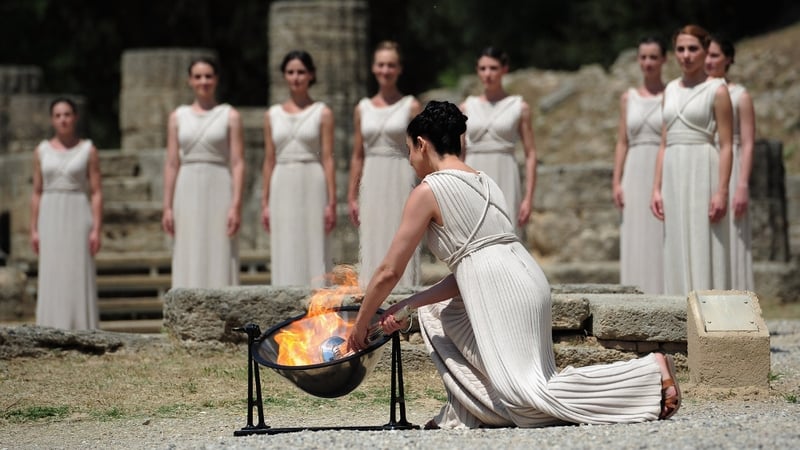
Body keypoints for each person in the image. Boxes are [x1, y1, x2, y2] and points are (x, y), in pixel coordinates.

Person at [348, 100, 681, 429]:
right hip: (525, 277)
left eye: (409, 150)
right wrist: (408, 304)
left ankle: (648, 371)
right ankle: (464, 411)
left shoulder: (428, 190)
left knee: (529, 399)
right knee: (436, 314)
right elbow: (467, 270)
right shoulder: (486, 181)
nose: (410, 160)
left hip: (500, 288)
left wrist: (361, 323)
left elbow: (390, 270)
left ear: (422, 144)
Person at [651, 25, 734, 295]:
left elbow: (726, 145)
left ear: (704, 51)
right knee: (675, 241)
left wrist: (722, 190)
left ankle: (713, 316)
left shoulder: (718, 90)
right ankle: (679, 317)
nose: (686, 55)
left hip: (703, 168)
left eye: (693, 49)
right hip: (674, 170)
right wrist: (656, 188)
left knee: (705, 240)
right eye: (680, 49)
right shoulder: (670, 90)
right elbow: (664, 142)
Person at [162, 57, 244, 288]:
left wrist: (236, 205)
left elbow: (238, 162)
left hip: (219, 183)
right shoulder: (177, 117)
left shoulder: (229, 115)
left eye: (208, 76)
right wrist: (167, 206)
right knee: (188, 245)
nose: (203, 81)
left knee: (219, 246)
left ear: (216, 79)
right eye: (198, 76)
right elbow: (171, 163)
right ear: (190, 80)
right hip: (186, 186)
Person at [347, 41, 422, 289]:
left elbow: (421, 150)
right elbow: (358, 154)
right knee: (374, 238)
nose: (385, 70)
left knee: (400, 237)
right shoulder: (362, 108)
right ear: (373, 68)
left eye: (391, 65)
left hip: (400, 176)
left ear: (399, 69)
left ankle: (403, 301)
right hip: (372, 177)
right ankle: (372, 298)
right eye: (381, 64)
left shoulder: (410, 106)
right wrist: (352, 196)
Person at [262, 50, 336, 287]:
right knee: (285, 242)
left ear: (311, 75)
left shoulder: (322, 112)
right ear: (284, 76)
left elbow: (328, 158)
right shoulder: (272, 115)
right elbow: (269, 159)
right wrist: (265, 202)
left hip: (312, 179)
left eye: (301, 72)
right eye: (291, 72)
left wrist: (332, 202)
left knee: (314, 242)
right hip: (281, 179)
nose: (296, 77)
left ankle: (318, 305)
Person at [31, 98, 102, 329]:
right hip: (50, 213)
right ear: (52, 119)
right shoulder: (41, 151)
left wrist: (97, 228)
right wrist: (33, 229)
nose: (63, 119)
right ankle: (51, 327)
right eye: (58, 115)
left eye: (67, 114)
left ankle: (81, 327)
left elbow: (97, 192)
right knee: (52, 269)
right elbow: (37, 191)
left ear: (75, 117)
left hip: (78, 211)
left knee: (77, 268)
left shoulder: (88, 150)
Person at [461, 47, 538, 236]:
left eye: (493, 68)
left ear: (504, 69)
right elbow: (459, 153)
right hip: (473, 176)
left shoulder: (519, 107)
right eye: (483, 68)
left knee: (506, 235)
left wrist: (528, 198)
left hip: (506, 176)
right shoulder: (466, 107)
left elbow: (531, 154)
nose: (488, 74)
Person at [611, 37, 668, 294]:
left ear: (664, 60)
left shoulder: (672, 94)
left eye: (653, 57)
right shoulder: (628, 98)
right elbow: (622, 141)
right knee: (636, 235)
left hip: (663, 168)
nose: (648, 62)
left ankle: (664, 293)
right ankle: (635, 295)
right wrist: (617, 180)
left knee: (661, 233)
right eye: (643, 57)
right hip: (634, 170)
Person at [706, 35, 755, 291]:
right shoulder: (699, 92)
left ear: (728, 59)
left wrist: (742, 185)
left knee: (734, 237)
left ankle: (740, 301)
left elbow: (747, 142)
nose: (708, 60)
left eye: (714, 55)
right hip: (706, 162)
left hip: (732, 165)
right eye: (707, 55)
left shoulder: (739, 95)